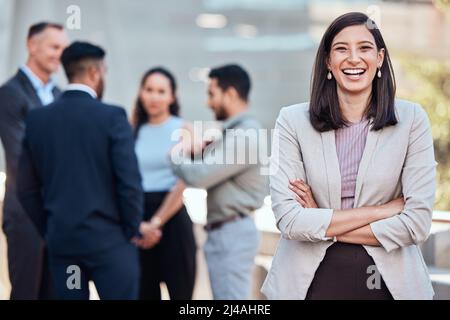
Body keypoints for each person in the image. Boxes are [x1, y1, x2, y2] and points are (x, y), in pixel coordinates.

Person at [261, 12, 437, 300]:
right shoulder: (292, 121)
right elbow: (290, 221)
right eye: (342, 49)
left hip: (389, 284)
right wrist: (383, 210)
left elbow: (416, 225)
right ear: (328, 61)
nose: (353, 58)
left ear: (379, 58)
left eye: (364, 48)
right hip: (308, 283)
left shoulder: (412, 119)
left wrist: (320, 219)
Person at [16, 41, 151, 300]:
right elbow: (129, 182)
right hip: (110, 243)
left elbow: (26, 188)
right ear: (95, 72)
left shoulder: (38, 120)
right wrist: (129, 231)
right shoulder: (112, 117)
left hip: (64, 243)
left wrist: (50, 229)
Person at [170, 64, 268, 300]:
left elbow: (198, 176)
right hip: (226, 232)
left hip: (231, 234)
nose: (208, 103)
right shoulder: (235, 133)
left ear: (231, 94)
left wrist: (176, 154)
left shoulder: (244, 135)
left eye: (212, 94)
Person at [0, 21, 68, 299]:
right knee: (27, 292)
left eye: (63, 49)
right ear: (32, 45)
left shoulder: (61, 97)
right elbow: (21, 158)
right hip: (26, 212)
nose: (59, 54)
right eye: (54, 46)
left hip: (58, 215)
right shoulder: (10, 94)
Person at [132, 67, 197, 300]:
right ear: (141, 93)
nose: (154, 96)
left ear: (172, 96)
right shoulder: (131, 129)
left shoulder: (183, 129)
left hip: (172, 218)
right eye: (149, 90)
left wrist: (156, 223)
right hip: (139, 222)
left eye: (161, 91)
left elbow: (183, 183)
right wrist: (141, 225)